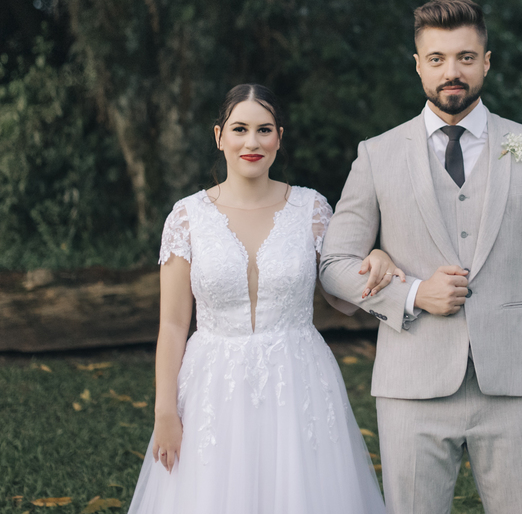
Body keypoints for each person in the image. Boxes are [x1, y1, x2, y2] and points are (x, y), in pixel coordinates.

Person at [319, 0, 522, 514]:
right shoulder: (377, 154)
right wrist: (413, 292)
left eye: (465, 57)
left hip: (516, 388)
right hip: (411, 386)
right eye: (436, 59)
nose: (452, 72)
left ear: (486, 61)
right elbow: (333, 268)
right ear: (418, 65)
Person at [127, 83, 393, 514]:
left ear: (279, 138)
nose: (252, 142)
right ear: (219, 137)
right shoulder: (186, 217)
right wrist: (164, 411)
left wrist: (377, 256)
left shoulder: (312, 209)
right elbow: (173, 326)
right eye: (240, 129)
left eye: (264, 130)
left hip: (299, 381)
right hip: (212, 387)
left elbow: (344, 298)